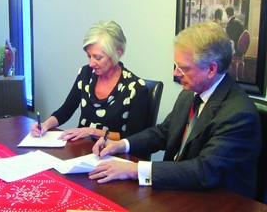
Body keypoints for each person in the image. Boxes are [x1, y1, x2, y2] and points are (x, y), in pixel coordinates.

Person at [89, 22, 261, 199]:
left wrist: (135, 169)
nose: (175, 74)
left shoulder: (239, 114)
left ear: (211, 69)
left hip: (217, 201)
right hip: (179, 191)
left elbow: (205, 170)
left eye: (184, 68)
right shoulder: (190, 94)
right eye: (176, 66)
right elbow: (163, 133)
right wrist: (121, 144)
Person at [31, 21, 149, 141]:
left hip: (114, 155)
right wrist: (45, 125)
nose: (91, 63)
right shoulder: (86, 74)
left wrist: (92, 131)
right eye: (89, 56)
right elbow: (66, 110)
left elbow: (133, 137)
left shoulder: (136, 88)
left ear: (117, 53)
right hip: (83, 149)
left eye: (98, 57)